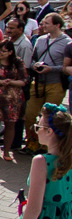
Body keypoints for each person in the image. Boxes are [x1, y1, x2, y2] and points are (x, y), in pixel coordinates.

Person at [23, 14, 70, 155]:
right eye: (42, 23)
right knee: (30, 114)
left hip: (55, 84)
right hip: (38, 84)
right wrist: (35, 66)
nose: (42, 25)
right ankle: (32, 144)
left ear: (57, 25)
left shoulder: (67, 42)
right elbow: (32, 60)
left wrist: (51, 69)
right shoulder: (40, 40)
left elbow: (67, 67)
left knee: (51, 118)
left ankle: (48, 147)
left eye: (46, 23)